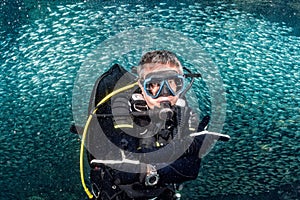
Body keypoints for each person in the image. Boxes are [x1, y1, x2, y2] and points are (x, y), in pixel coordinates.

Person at [82, 50, 229, 200]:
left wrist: (147, 170)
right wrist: (184, 147)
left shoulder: (183, 113)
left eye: (173, 84)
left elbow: (190, 170)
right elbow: (122, 171)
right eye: (154, 85)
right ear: (141, 85)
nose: (165, 93)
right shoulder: (120, 110)